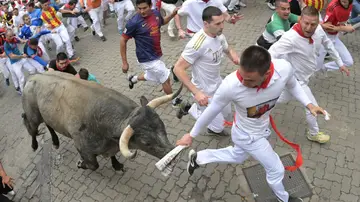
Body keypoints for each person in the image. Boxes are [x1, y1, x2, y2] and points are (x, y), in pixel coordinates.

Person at [176, 45, 327, 202]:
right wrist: (191, 134)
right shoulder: (230, 85)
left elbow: (293, 85)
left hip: (261, 129)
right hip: (248, 136)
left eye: (249, 80)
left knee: (237, 156)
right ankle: (284, 199)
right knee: (276, 169)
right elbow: (212, 110)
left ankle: (199, 158)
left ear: (267, 73)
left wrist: (309, 104)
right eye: (241, 75)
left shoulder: (283, 69)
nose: (243, 81)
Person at [268, 6, 348, 143]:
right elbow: (271, 53)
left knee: (279, 99)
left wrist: (340, 63)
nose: (309, 27)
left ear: (318, 23)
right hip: (296, 80)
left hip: (303, 77)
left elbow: (328, 44)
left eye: (313, 24)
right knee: (312, 106)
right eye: (306, 23)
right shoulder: (290, 38)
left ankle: (256, 108)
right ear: (300, 20)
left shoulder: (318, 30)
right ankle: (313, 133)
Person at [173, 6, 239, 135]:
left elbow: (227, 49)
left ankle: (208, 119)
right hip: (204, 92)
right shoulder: (197, 44)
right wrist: (197, 93)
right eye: (218, 23)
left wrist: (235, 57)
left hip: (218, 85)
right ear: (206, 24)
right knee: (219, 127)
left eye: (222, 22)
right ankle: (188, 108)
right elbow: (178, 68)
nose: (222, 27)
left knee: (227, 115)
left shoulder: (219, 36)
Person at [120, 0, 182, 107]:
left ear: (150, 6)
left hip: (157, 54)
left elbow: (162, 22)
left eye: (144, 8)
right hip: (146, 58)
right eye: (139, 8)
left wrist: (172, 14)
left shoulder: (156, 13)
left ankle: (134, 79)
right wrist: (124, 62)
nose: (142, 11)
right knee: (165, 77)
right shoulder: (133, 22)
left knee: (151, 75)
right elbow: (123, 40)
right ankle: (174, 101)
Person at [317, 0, 354, 74]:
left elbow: (343, 21)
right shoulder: (333, 6)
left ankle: (324, 68)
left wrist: (345, 26)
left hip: (335, 37)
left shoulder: (350, 5)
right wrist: (344, 28)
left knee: (349, 61)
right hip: (325, 38)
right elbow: (327, 27)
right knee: (315, 68)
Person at [174, 0, 244, 38]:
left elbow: (226, 16)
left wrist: (232, 20)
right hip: (195, 36)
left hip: (212, 34)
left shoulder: (216, 1)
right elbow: (177, 14)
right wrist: (179, 29)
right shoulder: (190, 3)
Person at [4, 29, 40, 95]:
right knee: (21, 78)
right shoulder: (6, 45)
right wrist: (22, 56)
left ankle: (32, 84)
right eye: (10, 36)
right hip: (15, 63)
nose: (12, 37)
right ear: (6, 36)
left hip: (21, 58)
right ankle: (23, 92)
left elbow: (23, 41)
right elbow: (11, 56)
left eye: (12, 35)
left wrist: (30, 39)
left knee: (32, 69)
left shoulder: (14, 39)